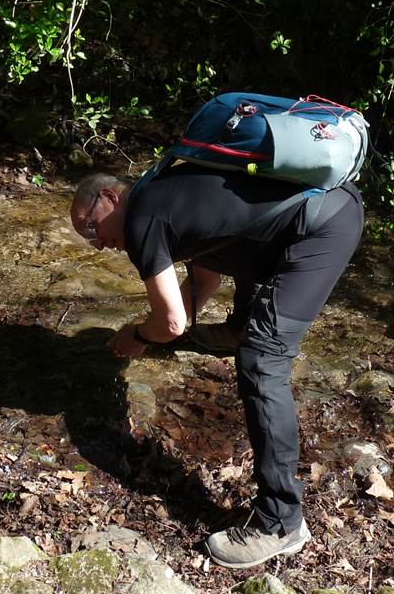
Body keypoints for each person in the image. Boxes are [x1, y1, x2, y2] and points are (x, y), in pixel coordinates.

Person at [69, 163, 365, 568]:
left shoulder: (142, 219)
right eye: (88, 240)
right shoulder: (163, 188)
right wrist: (176, 325)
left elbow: (170, 323)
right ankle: (238, 329)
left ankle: (281, 523)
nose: (97, 243)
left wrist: (139, 334)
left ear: (110, 197)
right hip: (325, 207)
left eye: (90, 228)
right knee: (241, 258)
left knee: (261, 361)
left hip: (320, 229)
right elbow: (205, 278)